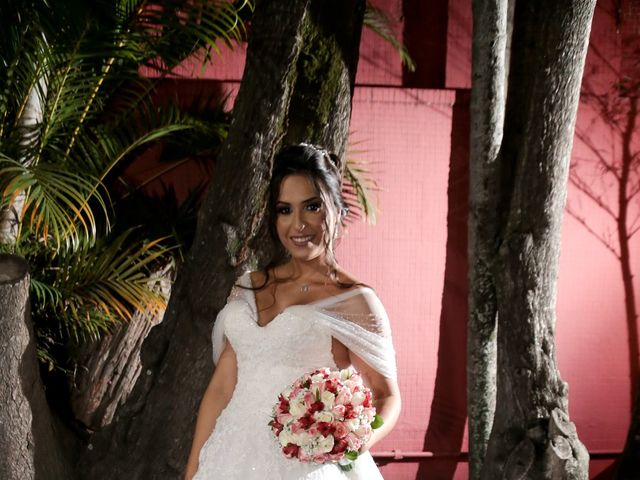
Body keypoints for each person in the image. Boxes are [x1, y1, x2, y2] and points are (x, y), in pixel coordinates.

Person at [185, 143, 401, 479]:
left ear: (337, 207)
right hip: (227, 461)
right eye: (284, 210)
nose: (297, 224)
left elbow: (388, 396)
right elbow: (222, 387)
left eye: (311, 207)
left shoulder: (355, 300)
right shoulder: (249, 285)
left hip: (304, 468)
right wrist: (193, 470)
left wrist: (348, 442)